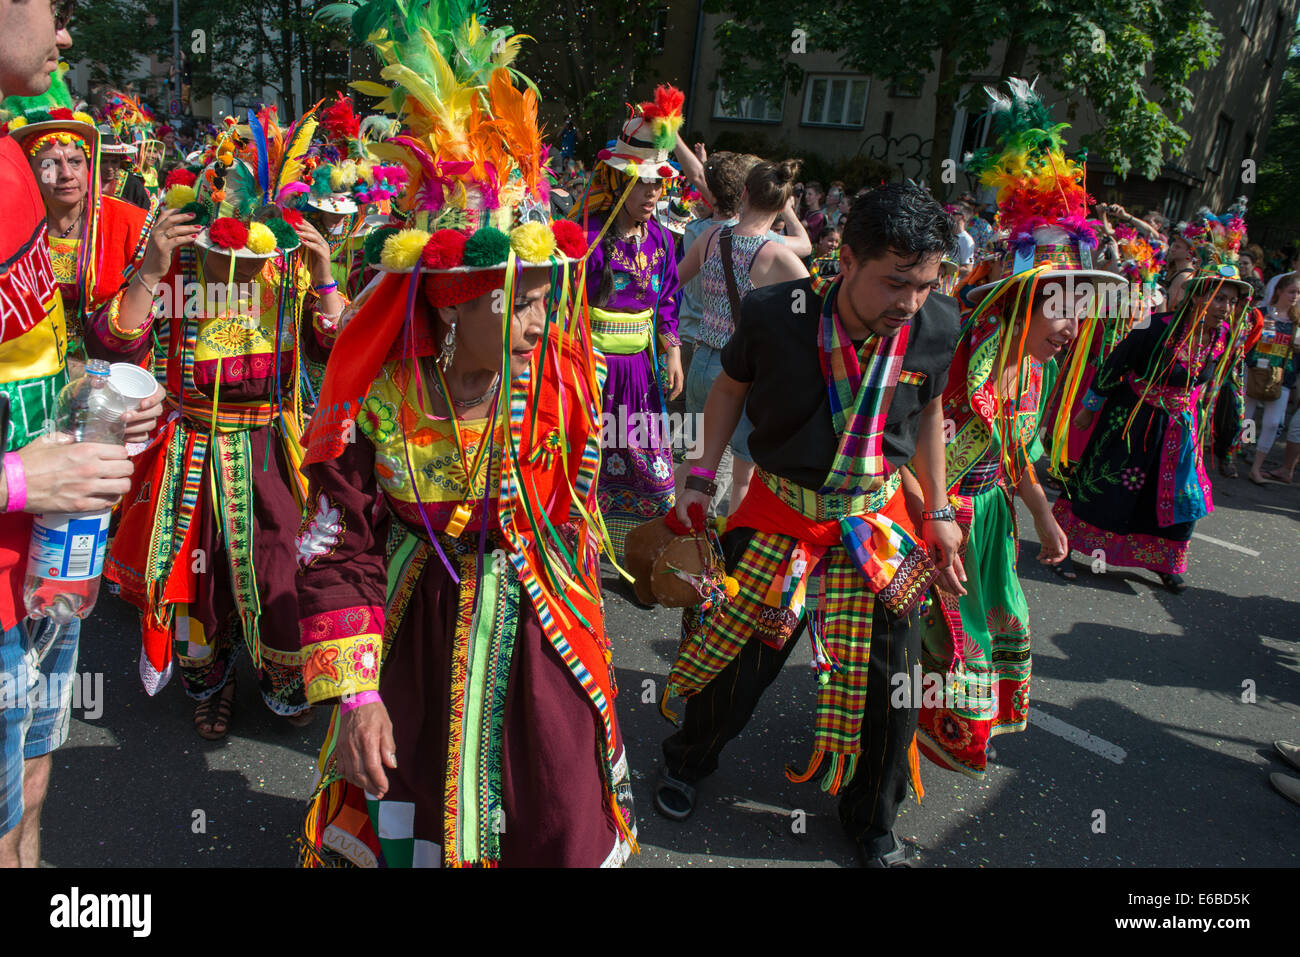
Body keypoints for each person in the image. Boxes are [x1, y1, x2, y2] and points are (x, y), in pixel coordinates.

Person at [295, 5, 635, 867]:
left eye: (541, 292)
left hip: (535, 619)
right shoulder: (380, 401)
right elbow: (338, 541)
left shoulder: (562, 381)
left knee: (553, 801)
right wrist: (356, 690)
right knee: (411, 807)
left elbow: (575, 518)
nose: (539, 313)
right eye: (514, 298)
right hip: (418, 624)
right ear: (450, 307)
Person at [654, 182, 963, 868]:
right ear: (845, 260)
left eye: (925, 283)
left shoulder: (937, 324)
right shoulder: (777, 314)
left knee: (894, 682)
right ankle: (685, 760)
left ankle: (871, 818)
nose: (909, 301)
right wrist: (701, 473)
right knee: (736, 660)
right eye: (895, 282)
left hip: (875, 525)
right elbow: (731, 385)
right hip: (781, 518)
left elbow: (933, 411)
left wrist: (939, 510)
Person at [97, 110, 345, 739]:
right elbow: (118, 342)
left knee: (280, 565)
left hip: (267, 446)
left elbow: (335, 349)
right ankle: (212, 681)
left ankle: (283, 683)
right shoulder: (177, 269)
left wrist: (325, 276)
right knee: (196, 580)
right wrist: (151, 267)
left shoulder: (284, 269)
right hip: (190, 449)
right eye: (222, 245)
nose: (237, 260)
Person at [0, 0, 163, 869]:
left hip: (51, 563)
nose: (64, 35)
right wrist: (22, 483)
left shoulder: (10, 170)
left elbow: (34, 353)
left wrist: (91, 398)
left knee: (30, 782)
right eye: (50, 8)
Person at [918, 79, 1104, 777]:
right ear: (1027, 302)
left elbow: (1018, 451)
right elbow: (911, 441)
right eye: (1066, 310)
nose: (1074, 328)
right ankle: (910, 739)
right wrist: (933, 511)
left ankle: (934, 730)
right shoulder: (965, 352)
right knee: (949, 643)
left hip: (993, 516)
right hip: (944, 513)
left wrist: (1047, 518)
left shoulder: (1035, 368)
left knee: (1005, 627)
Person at [1052, 212, 1251, 594]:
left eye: (1231, 300)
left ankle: (1164, 561)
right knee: (1107, 485)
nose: (1226, 306)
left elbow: (1218, 384)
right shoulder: (1156, 328)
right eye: (1219, 298)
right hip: (1131, 419)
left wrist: (1224, 434)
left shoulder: (1223, 338)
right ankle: (1063, 548)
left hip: (1180, 427)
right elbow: (1116, 362)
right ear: (1198, 298)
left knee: (1181, 495)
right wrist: (1090, 407)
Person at [574, 85, 686, 565]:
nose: (654, 194)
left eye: (659, 185)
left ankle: (641, 560)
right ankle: (579, 555)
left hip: (639, 374)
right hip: (590, 370)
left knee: (648, 466)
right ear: (619, 181)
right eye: (644, 183)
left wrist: (673, 350)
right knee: (584, 463)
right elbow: (566, 303)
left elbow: (666, 299)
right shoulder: (587, 236)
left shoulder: (661, 238)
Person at [676, 159, 810, 515]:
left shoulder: (710, 236)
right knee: (741, 475)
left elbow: (673, 282)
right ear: (782, 205)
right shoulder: (777, 255)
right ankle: (732, 548)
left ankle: (677, 533)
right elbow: (809, 314)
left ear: (745, 193)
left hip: (702, 359)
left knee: (695, 459)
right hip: (741, 373)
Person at [7, 109, 153, 364]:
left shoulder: (130, 222)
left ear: (88, 165)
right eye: (49, 164)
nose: (66, 174)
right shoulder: (12, 225)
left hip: (110, 371)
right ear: (30, 171)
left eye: (75, 162)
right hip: (37, 371)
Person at [1242, 273, 1297, 484]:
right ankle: (1243, 447)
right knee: (1247, 416)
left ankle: (1256, 467)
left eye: (1298, 293)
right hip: (1255, 371)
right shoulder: (1261, 314)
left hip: (1280, 377)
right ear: (1279, 291)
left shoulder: (1297, 321)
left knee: (1273, 423)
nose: (1295, 296)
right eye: (1292, 291)